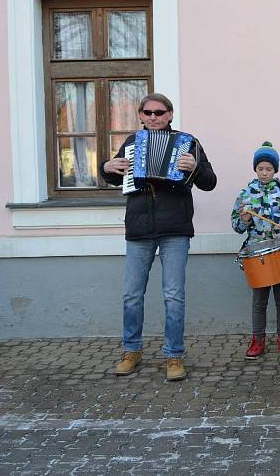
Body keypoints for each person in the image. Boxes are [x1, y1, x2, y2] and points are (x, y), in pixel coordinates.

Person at [101, 93, 217, 381]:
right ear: (140, 115)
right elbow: (117, 176)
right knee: (131, 295)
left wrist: (196, 168)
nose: (153, 117)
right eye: (148, 112)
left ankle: (174, 355)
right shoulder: (130, 144)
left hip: (175, 229)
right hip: (139, 229)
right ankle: (132, 350)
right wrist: (105, 168)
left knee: (174, 296)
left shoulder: (188, 142)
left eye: (159, 112)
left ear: (170, 114)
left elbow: (210, 182)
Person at [232, 141, 280, 360]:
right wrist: (243, 219)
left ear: (275, 170)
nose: (264, 173)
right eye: (261, 168)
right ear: (255, 169)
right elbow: (236, 226)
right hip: (257, 253)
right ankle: (258, 340)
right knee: (259, 301)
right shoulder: (245, 194)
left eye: (269, 169)